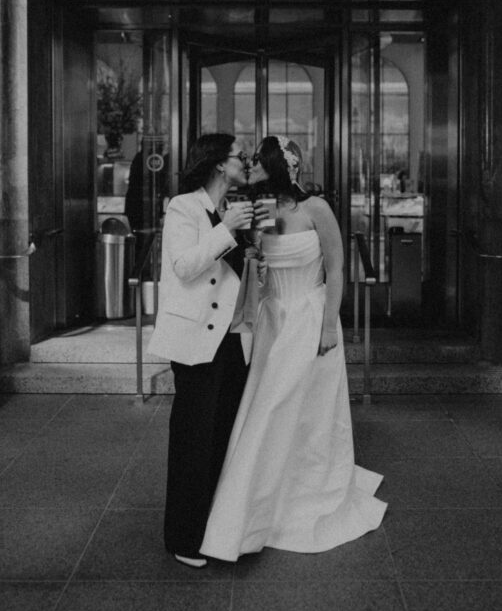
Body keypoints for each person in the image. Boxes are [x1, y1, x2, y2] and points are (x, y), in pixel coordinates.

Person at [200, 135, 387, 561]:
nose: (251, 168)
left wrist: (328, 326)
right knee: (269, 406)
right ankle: (258, 501)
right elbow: (256, 271)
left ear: (279, 166)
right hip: (272, 320)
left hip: (309, 316)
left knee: (303, 410)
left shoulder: (316, 209)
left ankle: (300, 496)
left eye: (259, 164)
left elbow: (337, 268)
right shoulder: (260, 212)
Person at [148, 133, 264, 569]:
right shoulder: (184, 207)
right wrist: (227, 229)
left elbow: (233, 279)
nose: (246, 162)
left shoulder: (229, 211)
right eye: (240, 156)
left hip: (233, 340)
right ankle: (183, 537)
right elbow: (184, 266)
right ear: (218, 164)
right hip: (197, 340)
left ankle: (213, 529)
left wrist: (254, 257)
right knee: (192, 439)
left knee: (220, 437)